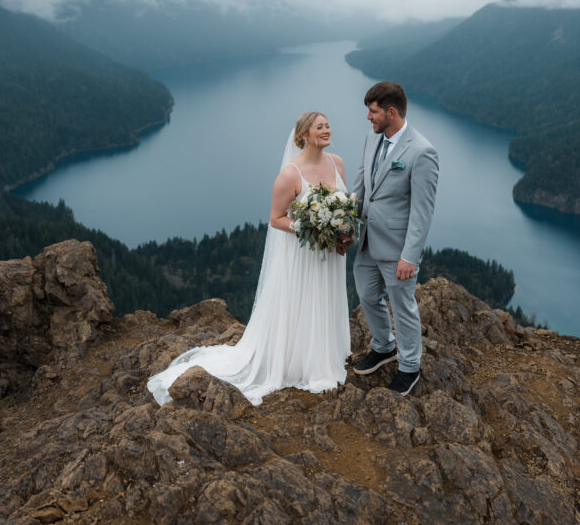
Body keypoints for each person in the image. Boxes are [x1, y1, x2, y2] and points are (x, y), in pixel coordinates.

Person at [147, 112, 351, 405]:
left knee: (325, 297)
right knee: (304, 299)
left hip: (330, 254)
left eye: (328, 125)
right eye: (320, 127)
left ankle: (324, 354)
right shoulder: (291, 174)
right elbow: (276, 218)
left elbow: (344, 207)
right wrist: (311, 228)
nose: (327, 130)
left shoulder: (338, 163)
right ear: (303, 135)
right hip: (303, 253)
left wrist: (343, 232)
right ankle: (300, 362)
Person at [346, 82, 439, 396]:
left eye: (373, 112)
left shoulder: (422, 151)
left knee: (403, 307)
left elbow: (422, 211)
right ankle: (384, 346)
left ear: (391, 112)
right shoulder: (372, 141)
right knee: (367, 295)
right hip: (368, 241)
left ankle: (409, 367)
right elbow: (361, 187)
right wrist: (346, 223)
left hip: (398, 248)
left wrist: (410, 256)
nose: (368, 118)